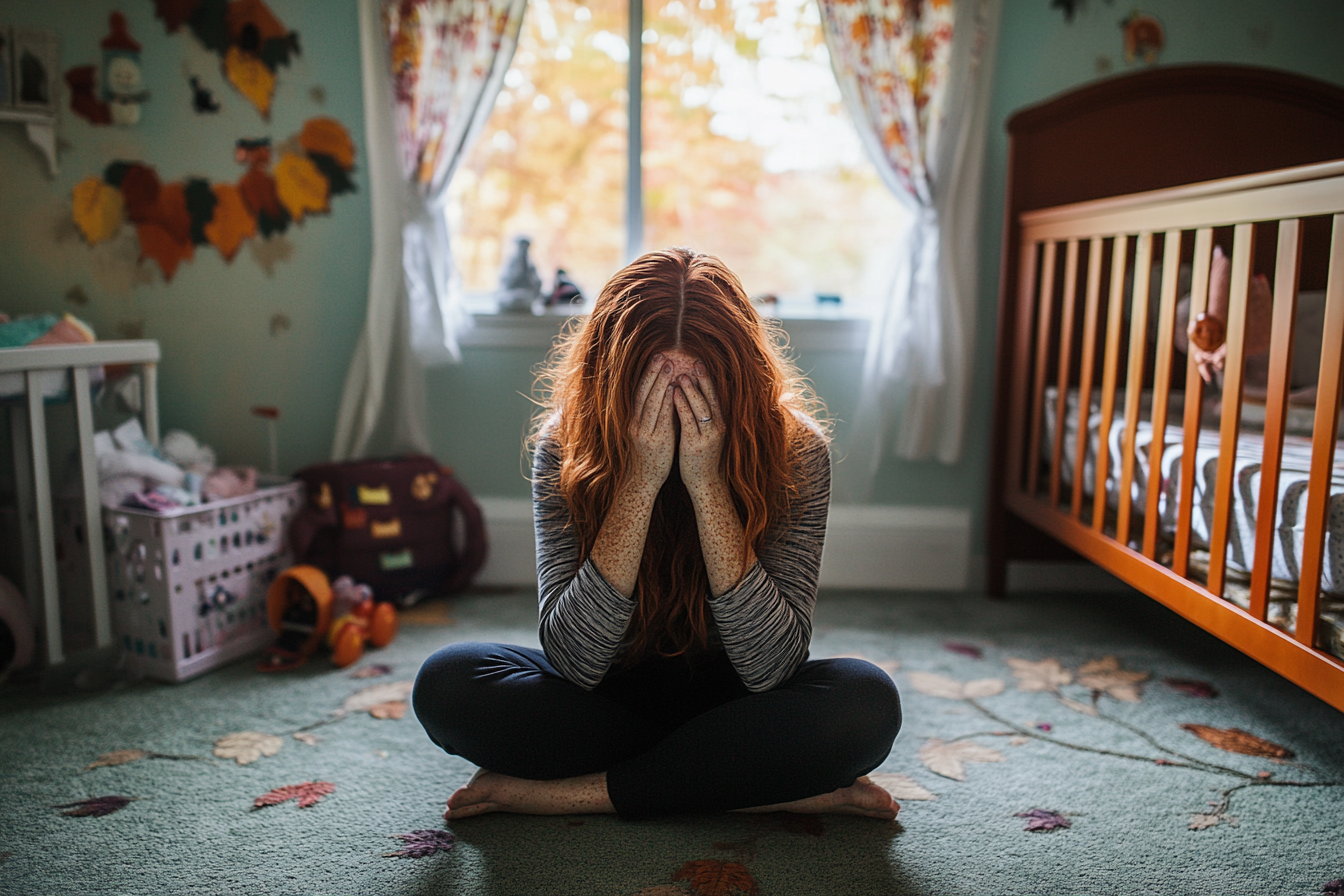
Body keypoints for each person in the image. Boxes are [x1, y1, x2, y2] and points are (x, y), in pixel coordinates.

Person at [413, 248, 902, 821]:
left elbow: (770, 666)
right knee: (449, 682)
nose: (674, 410)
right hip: (607, 699)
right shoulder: (565, 445)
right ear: (612, 382)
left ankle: (577, 795)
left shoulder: (797, 451)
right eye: (651, 390)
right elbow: (575, 661)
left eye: (697, 391)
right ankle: (758, 786)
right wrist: (639, 480)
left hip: (742, 702)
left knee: (865, 703)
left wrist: (707, 483)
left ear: (738, 381)